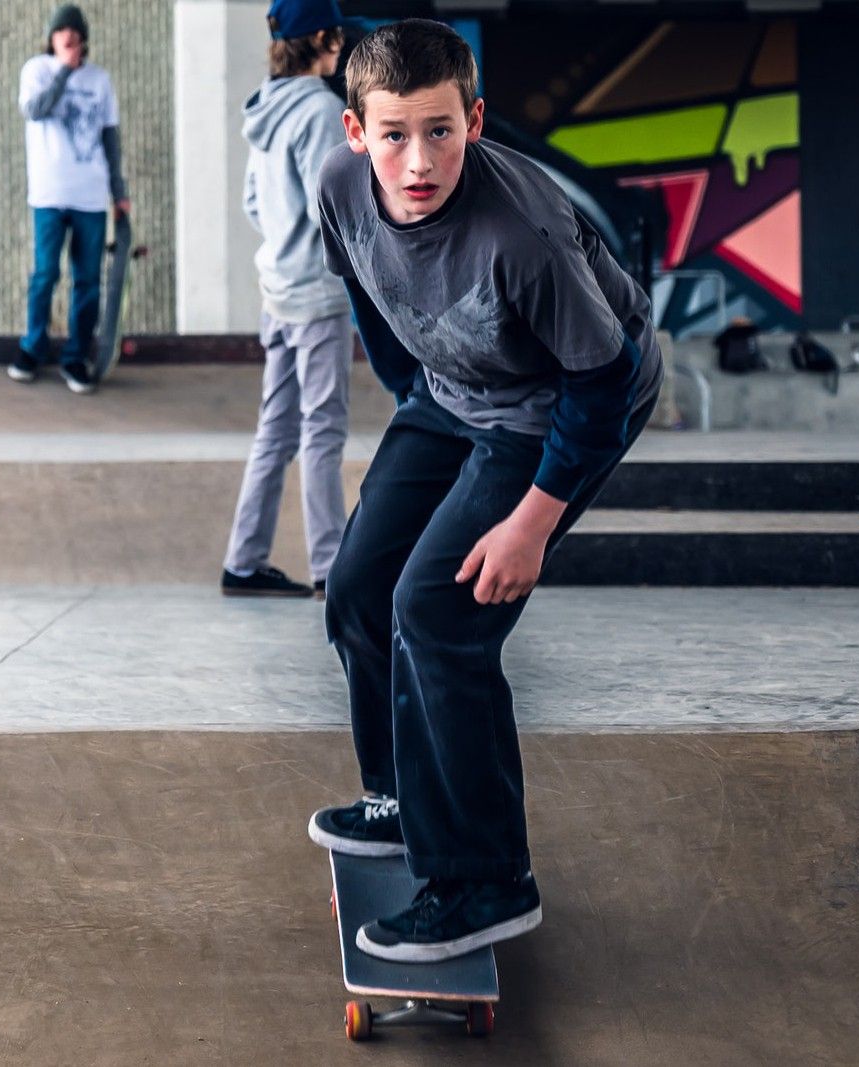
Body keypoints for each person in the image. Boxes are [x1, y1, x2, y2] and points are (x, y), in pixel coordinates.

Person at [306, 20, 662, 962]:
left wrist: (531, 523)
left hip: (562, 402)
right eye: (392, 135)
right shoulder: (340, 191)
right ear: (355, 134)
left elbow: (603, 381)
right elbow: (376, 307)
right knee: (356, 587)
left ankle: (486, 877)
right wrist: (420, 410)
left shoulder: (522, 233)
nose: (417, 162)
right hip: (452, 392)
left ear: (474, 120)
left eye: (440, 132)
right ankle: (397, 796)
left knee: (437, 611)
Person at [220, 0, 353, 600]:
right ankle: (330, 567)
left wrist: (284, 240)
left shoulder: (266, 108)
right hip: (317, 297)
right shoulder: (321, 112)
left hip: (275, 290)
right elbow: (335, 213)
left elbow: (255, 203)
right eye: (339, 35)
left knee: (275, 431)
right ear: (324, 38)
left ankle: (243, 562)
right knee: (322, 430)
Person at [10, 4, 129, 395]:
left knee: (88, 281)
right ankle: (32, 348)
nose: (68, 38)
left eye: (74, 34)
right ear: (52, 38)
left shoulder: (100, 79)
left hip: (91, 195)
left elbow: (110, 139)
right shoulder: (36, 70)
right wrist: (64, 69)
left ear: (84, 39)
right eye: (61, 33)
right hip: (48, 193)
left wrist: (119, 193)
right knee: (45, 274)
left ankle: (75, 356)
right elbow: (36, 110)